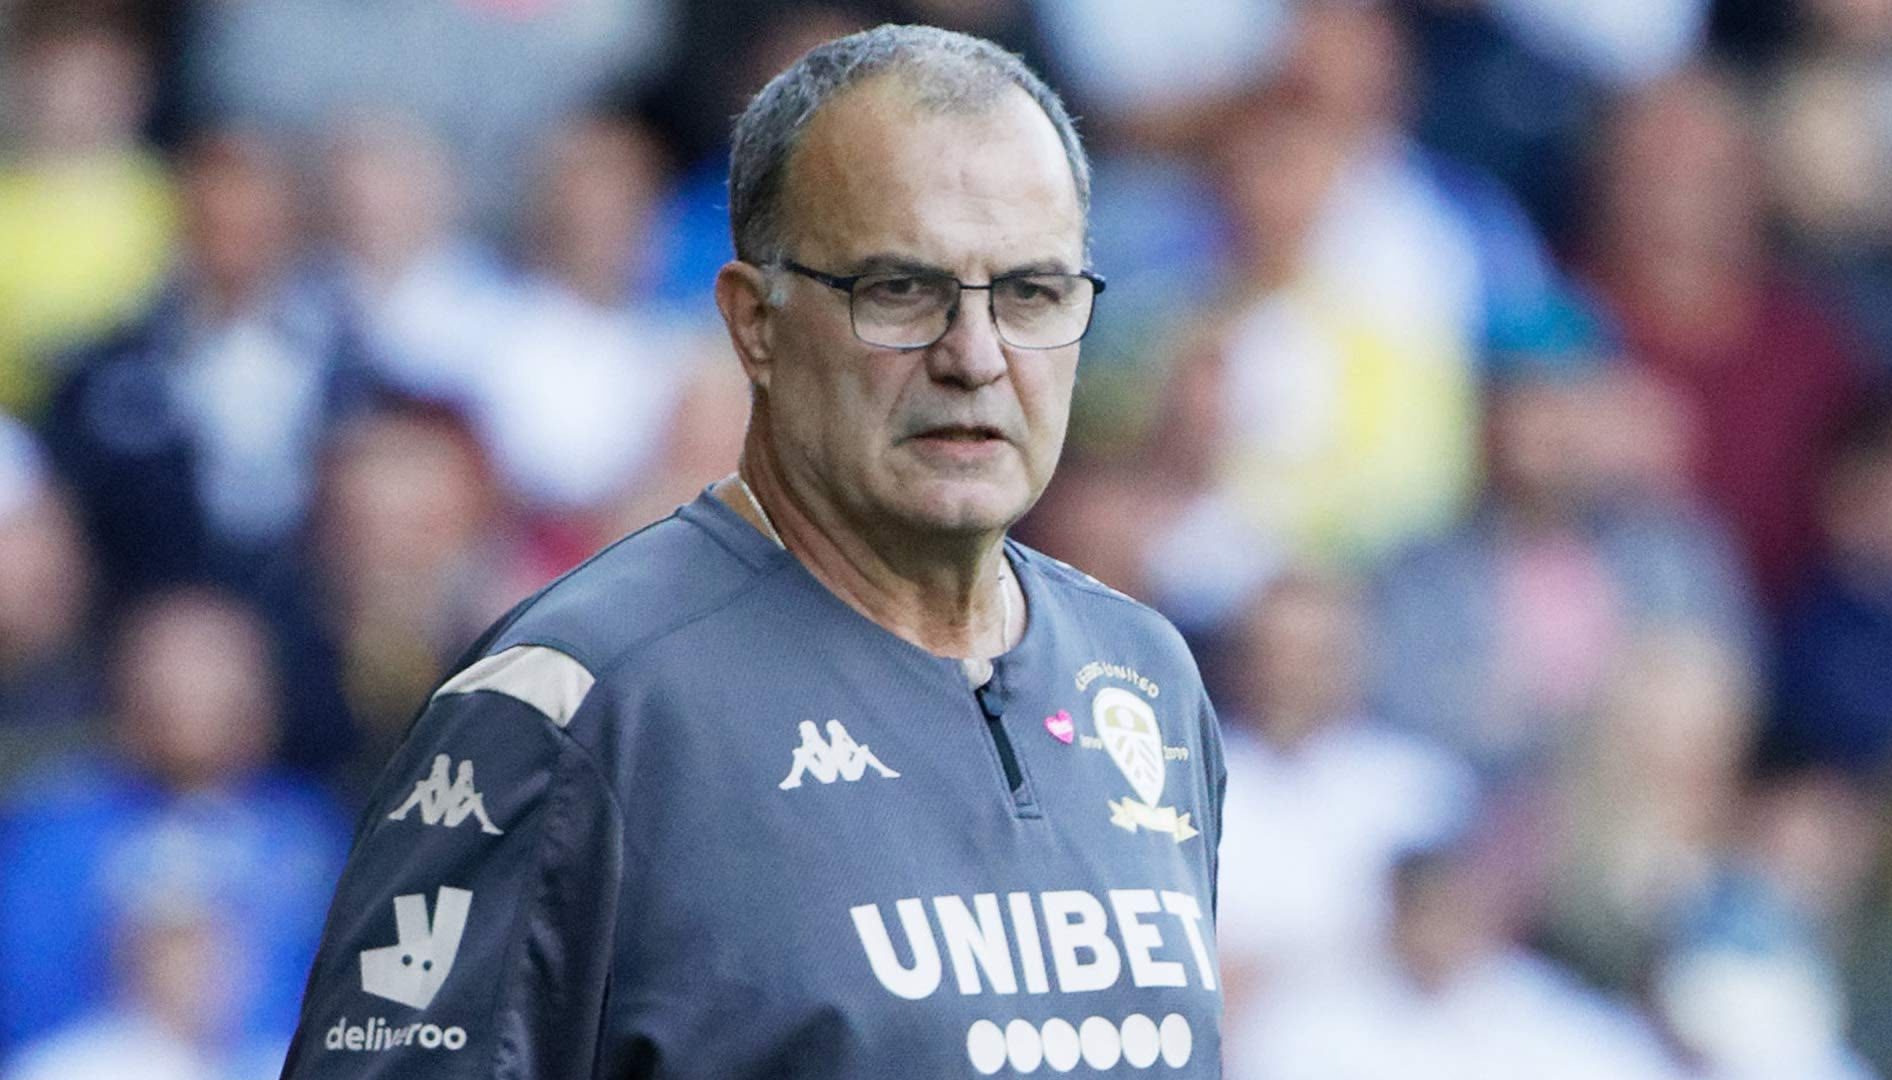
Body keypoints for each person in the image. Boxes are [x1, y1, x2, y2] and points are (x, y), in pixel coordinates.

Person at [279, 24, 1227, 1079]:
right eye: (900, 290)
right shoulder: (578, 707)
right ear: (754, 324)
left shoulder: (1144, 676)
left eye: (1032, 293)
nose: (975, 356)